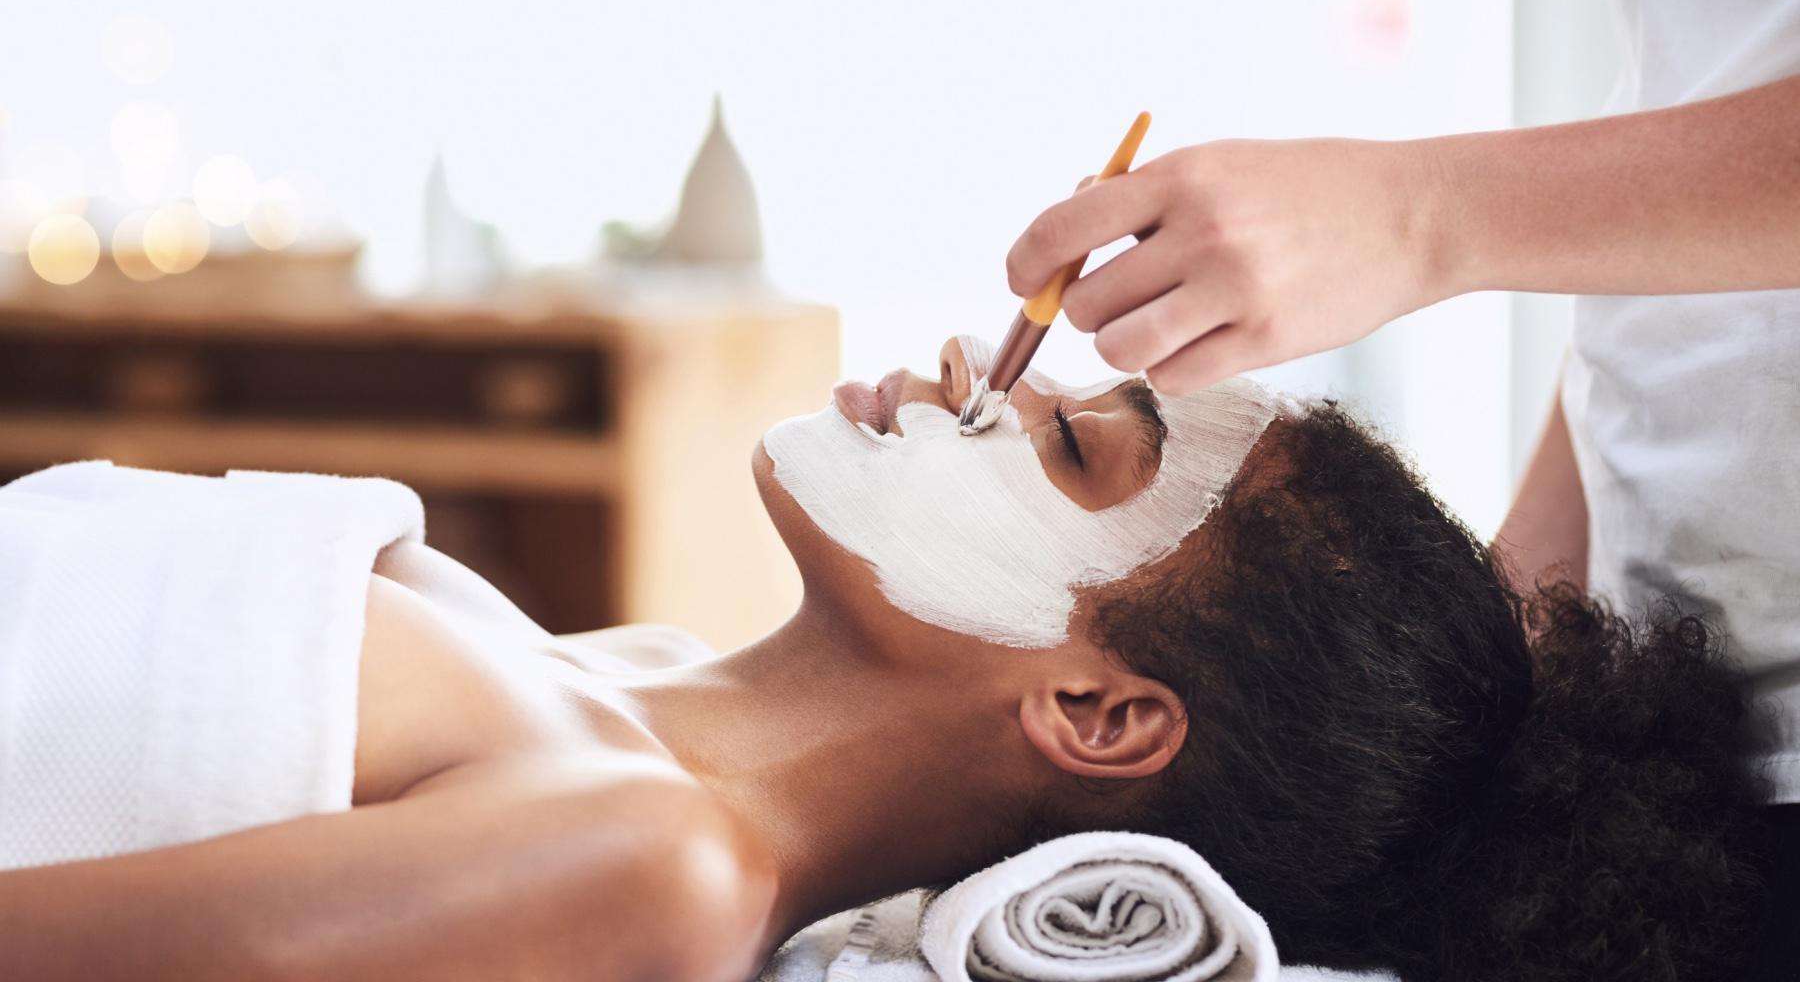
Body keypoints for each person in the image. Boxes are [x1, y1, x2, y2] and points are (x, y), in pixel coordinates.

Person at [1, 339, 1768, 981]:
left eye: (1072, 446)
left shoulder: (658, 865)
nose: (979, 371)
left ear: (1097, 712)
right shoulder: (633, 672)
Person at [1004, 0, 1800, 973]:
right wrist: (1522, 633)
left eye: (1074, 444)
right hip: (1680, 752)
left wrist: (1422, 215)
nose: (967, 371)